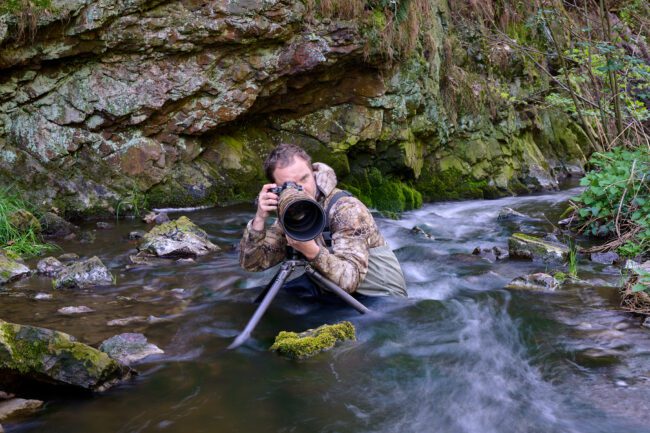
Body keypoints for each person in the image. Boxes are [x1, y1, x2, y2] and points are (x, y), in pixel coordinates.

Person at [239, 143, 407, 299]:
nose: (300, 190)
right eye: (290, 186)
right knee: (257, 300)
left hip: (380, 296)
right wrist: (259, 219)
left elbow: (350, 279)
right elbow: (252, 264)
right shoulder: (292, 211)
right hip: (330, 287)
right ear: (275, 188)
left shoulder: (346, 209)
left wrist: (311, 251)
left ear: (314, 173)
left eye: (304, 179)